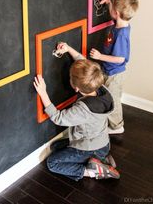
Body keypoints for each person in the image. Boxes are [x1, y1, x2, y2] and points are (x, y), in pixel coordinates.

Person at [34, 43, 120, 181]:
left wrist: (43, 92)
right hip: (103, 143)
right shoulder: (100, 88)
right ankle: (101, 159)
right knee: (55, 146)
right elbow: (84, 63)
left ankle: (92, 170)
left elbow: (58, 117)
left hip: (91, 147)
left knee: (52, 162)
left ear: (75, 88)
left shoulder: (83, 109)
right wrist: (68, 48)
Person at [90, 0, 139, 134]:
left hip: (115, 73)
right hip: (110, 70)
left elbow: (120, 59)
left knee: (114, 100)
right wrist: (109, 2)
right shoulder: (120, 22)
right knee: (109, 96)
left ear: (117, 13)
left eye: (112, 9)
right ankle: (109, 120)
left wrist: (100, 56)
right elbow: (114, 15)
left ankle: (117, 126)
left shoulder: (122, 34)